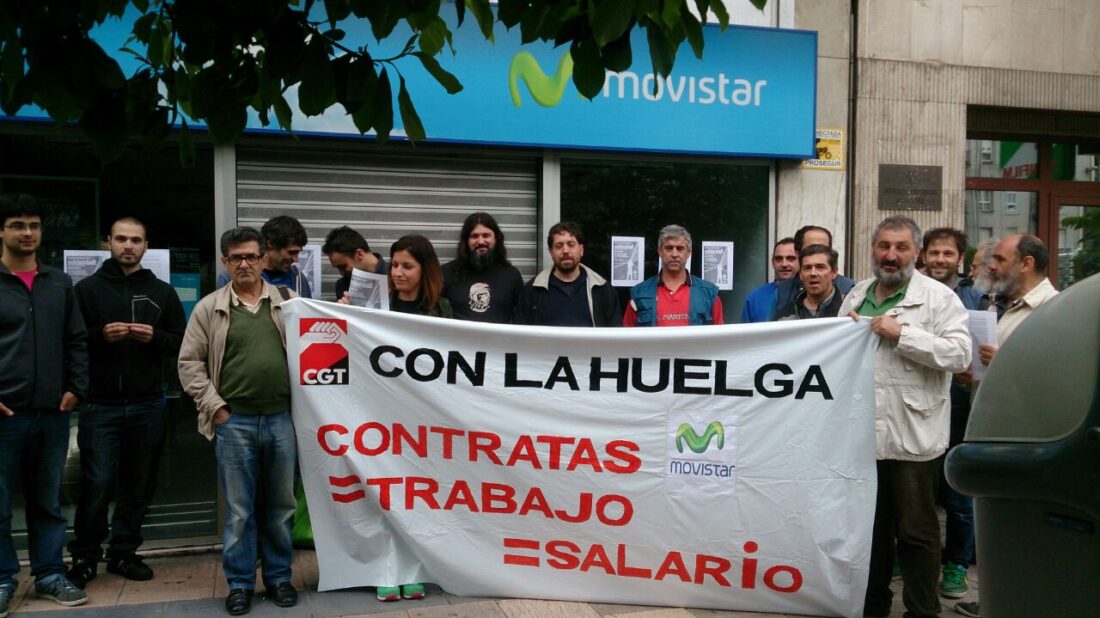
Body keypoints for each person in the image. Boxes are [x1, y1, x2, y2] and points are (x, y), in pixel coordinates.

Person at [839, 216, 971, 618]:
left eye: (900, 248)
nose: (890, 256)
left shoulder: (939, 298)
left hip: (913, 436)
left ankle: (921, 610)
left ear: (916, 252)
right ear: (873, 249)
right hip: (862, 439)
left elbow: (960, 354)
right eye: (883, 246)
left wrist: (904, 335)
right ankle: (872, 608)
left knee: (917, 534)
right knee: (870, 534)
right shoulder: (858, 295)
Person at [178, 227, 298, 616]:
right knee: (240, 511)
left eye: (251, 256)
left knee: (281, 507)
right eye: (235, 258)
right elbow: (189, 364)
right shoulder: (209, 308)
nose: (244, 264)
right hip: (235, 423)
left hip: (282, 421)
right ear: (225, 262)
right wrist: (216, 409)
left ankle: (280, 578)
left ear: (264, 258)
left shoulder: (289, 302)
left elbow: (322, 347)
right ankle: (241, 584)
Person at [65, 217, 187, 589]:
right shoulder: (86, 290)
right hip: (99, 406)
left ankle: (124, 552)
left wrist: (156, 338)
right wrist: (101, 335)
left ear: (146, 246)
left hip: (148, 404)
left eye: (135, 240)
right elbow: (71, 342)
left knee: (138, 484)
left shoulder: (162, 292)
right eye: (121, 239)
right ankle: (85, 557)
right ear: (108, 243)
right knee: (97, 482)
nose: (128, 246)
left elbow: (182, 342)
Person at [953, 235, 1058, 618]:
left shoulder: (1053, 310)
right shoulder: (1000, 306)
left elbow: (1060, 380)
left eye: (998, 258)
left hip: (1025, 440)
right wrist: (976, 376)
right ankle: (999, 598)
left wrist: (1003, 365)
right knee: (996, 525)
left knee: (1023, 528)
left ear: (1026, 263)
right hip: (991, 431)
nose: (989, 266)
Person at [0, 193, 90, 612]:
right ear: (2, 231)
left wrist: (77, 386)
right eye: (18, 225)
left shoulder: (59, 282)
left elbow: (76, 339)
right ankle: (3, 580)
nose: (28, 233)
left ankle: (50, 574)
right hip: (5, 415)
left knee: (47, 502)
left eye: (34, 225)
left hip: (53, 413)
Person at [918, 228, 982, 600]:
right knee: (914, 490)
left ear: (959, 258)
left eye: (948, 253)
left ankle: (957, 564)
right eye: (934, 252)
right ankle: (905, 555)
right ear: (923, 255)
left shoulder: (976, 299)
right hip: (917, 407)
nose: (940, 259)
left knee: (957, 493)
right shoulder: (909, 294)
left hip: (959, 407)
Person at [515, 221, 620, 326]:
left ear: (581, 250)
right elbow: (521, 337)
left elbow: (615, 337)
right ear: (551, 252)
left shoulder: (602, 290)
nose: (565, 250)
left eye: (571, 244)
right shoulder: (532, 291)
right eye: (559, 246)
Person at [623, 224, 723, 326]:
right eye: (669, 248)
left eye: (680, 248)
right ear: (659, 251)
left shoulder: (709, 294)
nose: (674, 254)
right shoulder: (639, 294)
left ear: (689, 252)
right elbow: (627, 339)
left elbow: (720, 338)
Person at [442, 212, 524, 323]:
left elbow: (521, 318)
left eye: (486, 235)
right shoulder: (446, 273)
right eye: (474, 236)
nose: (481, 241)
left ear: (496, 239)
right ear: (466, 241)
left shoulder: (512, 275)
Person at [217, 216, 312, 297]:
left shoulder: (297, 278)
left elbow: (306, 315)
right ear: (271, 243)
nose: (296, 259)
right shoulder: (229, 277)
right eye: (291, 252)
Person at [772, 225, 856, 316]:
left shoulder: (851, 290)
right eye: (811, 248)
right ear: (798, 253)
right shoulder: (783, 292)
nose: (813, 273)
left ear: (834, 272)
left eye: (823, 248)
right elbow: (770, 328)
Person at [387, 234, 452, 319]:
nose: (397, 273)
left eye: (407, 267)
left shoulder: (441, 307)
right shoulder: (379, 304)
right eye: (394, 265)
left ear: (425, 269)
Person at [774, 244, 844, 319]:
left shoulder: (848, 309)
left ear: (833, 272)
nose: (813, 273)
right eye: (807, 268)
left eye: (820, 267)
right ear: (800, 274)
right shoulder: (786, 315)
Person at [322, 226, 388, 301]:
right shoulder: (343, 285)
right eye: (338, 268)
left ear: (360, 254)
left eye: (343, 266)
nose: (341, 273)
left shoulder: (396, 277)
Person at [740, 237, 796, 323]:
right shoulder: (755, 298)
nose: (784, 264)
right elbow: (744, 334)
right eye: (779, 259)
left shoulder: (808, 295)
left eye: (790, 258)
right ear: (772, 262)